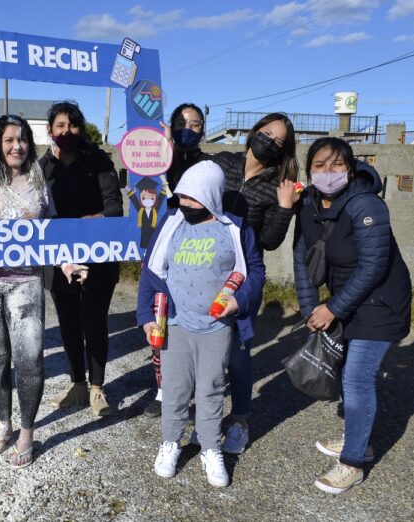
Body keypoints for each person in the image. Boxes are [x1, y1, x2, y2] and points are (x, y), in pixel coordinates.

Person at [0, 114, 87, 469]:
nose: (18, 146)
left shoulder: (38, 178)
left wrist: (66, 262)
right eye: (10, 139)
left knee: (29, 362)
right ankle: (4, 423)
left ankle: (27, 433)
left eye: (24, 139)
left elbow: (49, 231)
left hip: (27, 282)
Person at [293, 137, 411, 494]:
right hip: (346, 298)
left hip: (382, 301)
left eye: (337, 165)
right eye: (320, 165)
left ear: (351, 168)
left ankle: (354, 462)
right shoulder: (309, 203)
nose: (328, 173)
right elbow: (302, 257)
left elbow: (374, 266)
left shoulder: (365, 204)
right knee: (347, 372)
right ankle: (358, 439)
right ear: (309, 169)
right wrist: (309, 306)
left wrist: (333, 309)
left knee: (358, 379)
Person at [137, 161, 265, 487]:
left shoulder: (234, 229)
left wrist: (240, 301)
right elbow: (151, 275)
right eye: (182, 197)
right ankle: (170, 442)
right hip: (176, 323)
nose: (185, 204)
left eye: (192, 198)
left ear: (209, 196)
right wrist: (145, 319)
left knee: (210, 389)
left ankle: (210, 447)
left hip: (217, 326)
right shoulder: (172, 224)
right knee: (175, 388)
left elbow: (255, 270)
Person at [202, 112, 300, 454]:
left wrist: (285, 207)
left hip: (241, 274)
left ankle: (241, 419)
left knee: (239, 351)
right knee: (197, 344)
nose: (269, 141)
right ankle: (197, 414)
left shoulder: (278, 185)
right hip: (202, 266)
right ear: (254, 131)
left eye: (278, 141)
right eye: (266, 133)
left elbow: (270, 241)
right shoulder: (220, 163)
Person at [39, 101, 123, 417]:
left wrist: (97, 218)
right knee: (69, 326)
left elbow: (116, 206)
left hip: (98, 259)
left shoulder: (98, 161)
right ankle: (77, 384)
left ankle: (97, 388)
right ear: (50, 130)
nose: (67, 132)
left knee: (94, 323)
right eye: (60, 126)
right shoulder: (41, 169)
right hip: (58, 262)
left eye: (73, 125)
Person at [144, 102, 209, 418]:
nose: (188, 129)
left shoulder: (210, 165)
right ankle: (162, 389)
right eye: (181, 123)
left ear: (204, 129)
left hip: (197, 251)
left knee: (195, 321)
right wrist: (164, 148)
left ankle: (196, 388)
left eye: (195, 123)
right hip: (163, 246)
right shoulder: (157, 161)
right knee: (161, 318)